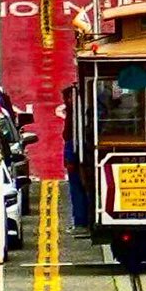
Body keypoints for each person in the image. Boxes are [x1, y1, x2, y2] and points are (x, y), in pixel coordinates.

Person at [62, 90, 89, 232]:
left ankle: (80, 222)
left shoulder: (74, 116)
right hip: (75, 149)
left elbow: (70, 136)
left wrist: (70, 158)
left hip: (74, 149)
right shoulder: (76, 113)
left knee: (77, 189)